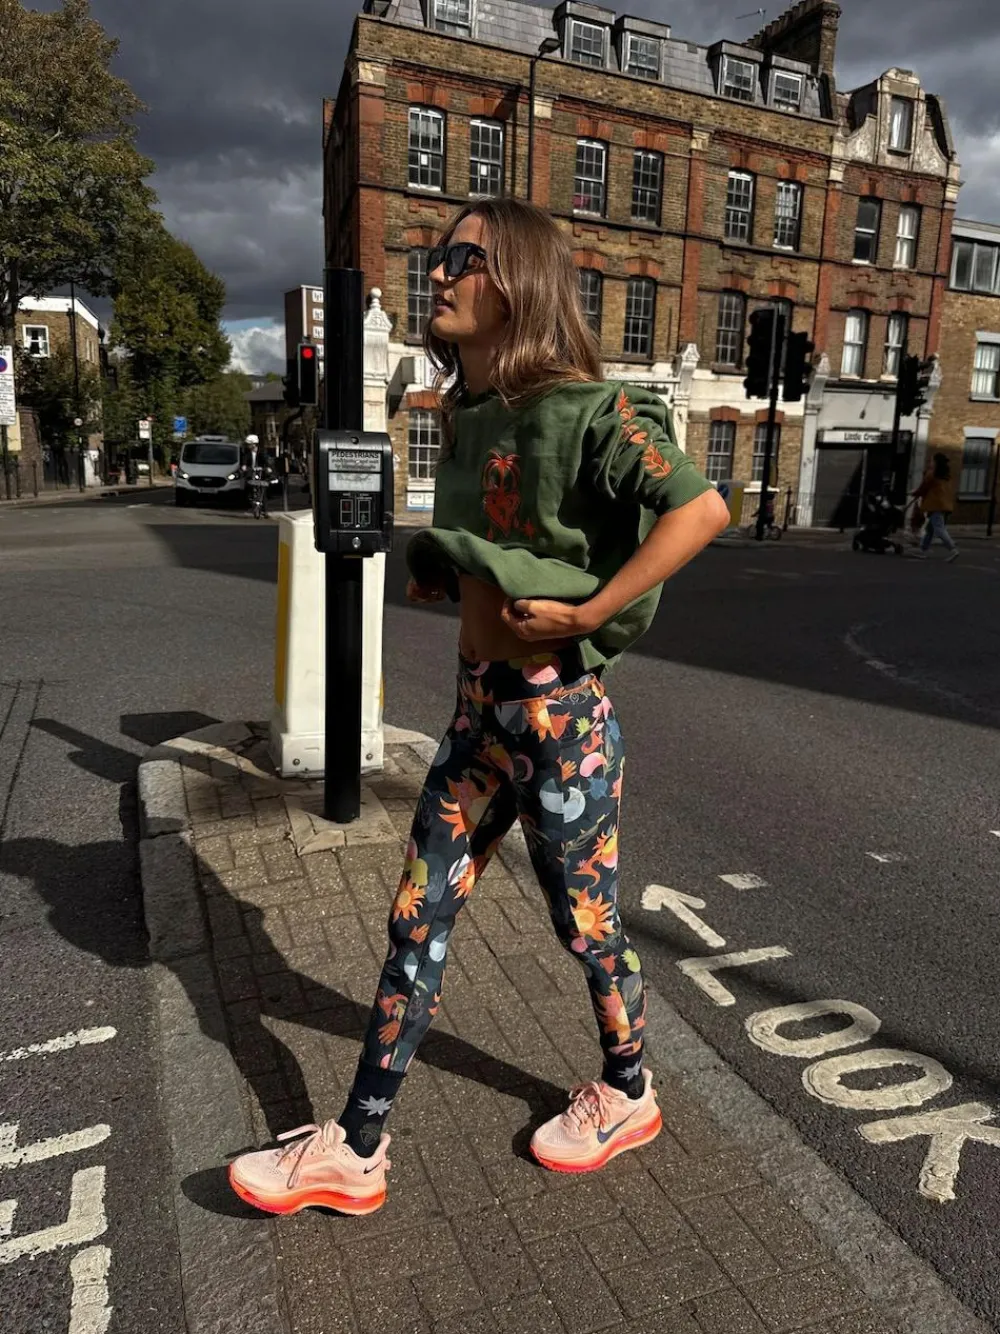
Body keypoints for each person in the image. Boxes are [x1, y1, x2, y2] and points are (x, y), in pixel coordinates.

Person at [228, 198, 729, 1218]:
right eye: (439, 255)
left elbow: (702, 507)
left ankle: (630, 1088)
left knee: (586, 927)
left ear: (520, 281)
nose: (438, 274)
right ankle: (355, 1146)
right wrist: (448, 577)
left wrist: (591, 610)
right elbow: (499, 537)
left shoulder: (593, 410)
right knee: (415, 919)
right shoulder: (466, 415)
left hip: (559, 724)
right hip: (475, 720)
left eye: (462, 257)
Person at [913, 452, 958, 561]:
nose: (930, 462)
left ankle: (953, 549)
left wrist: (915, 493)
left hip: (935, 505)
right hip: (944, 505)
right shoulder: (946, 476)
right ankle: (923, 549)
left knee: (939, 529)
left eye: (932, 460)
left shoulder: (932, 474)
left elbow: (923, 487)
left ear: (936, 462)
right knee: (930, 529)